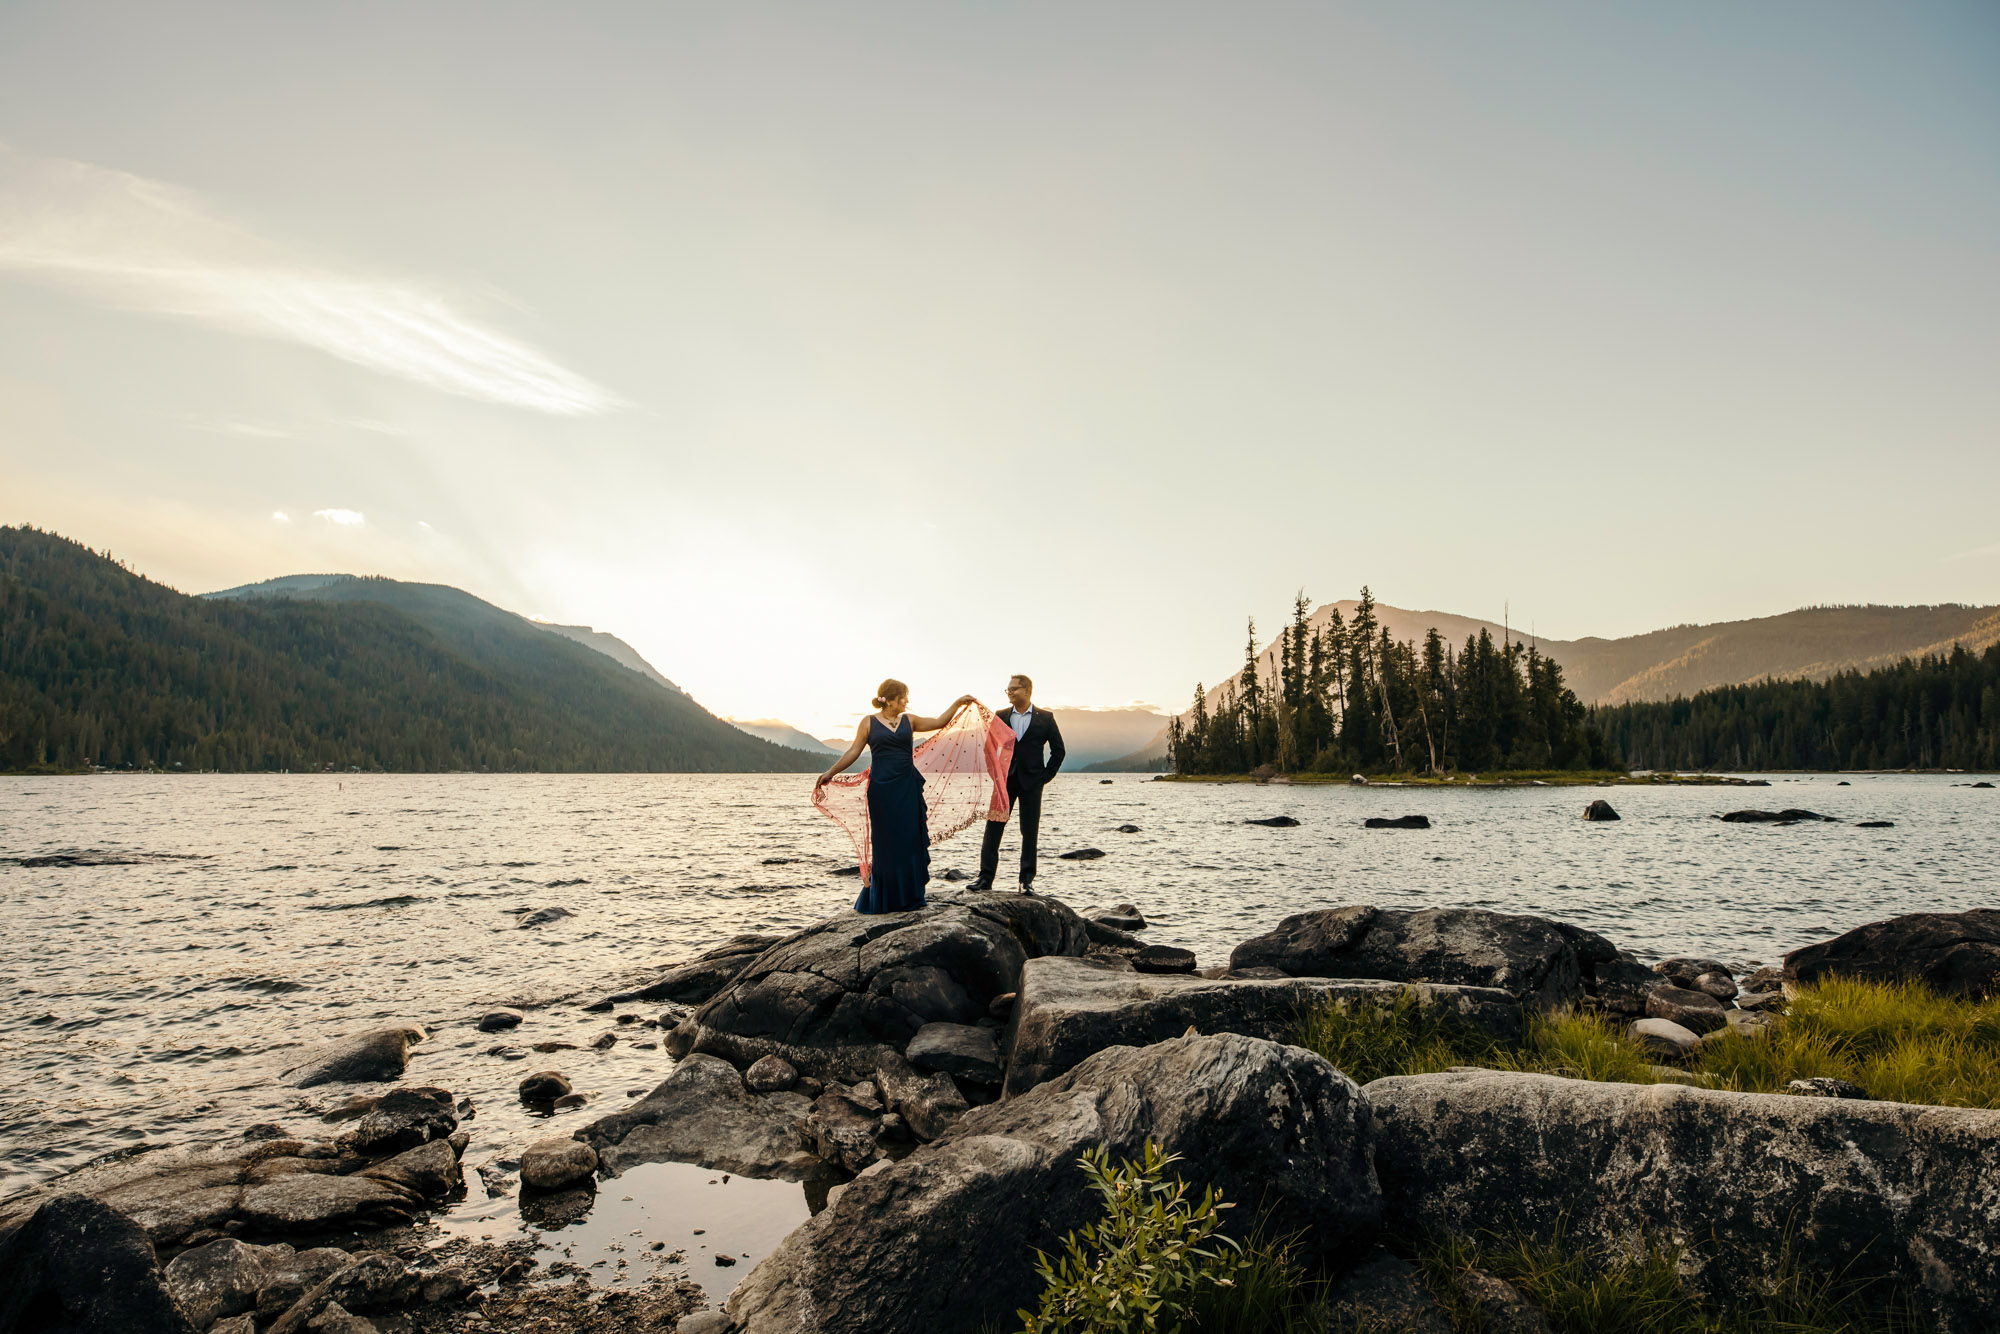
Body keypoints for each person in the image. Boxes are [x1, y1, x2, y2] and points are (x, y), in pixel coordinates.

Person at [816, 679, 977, 914]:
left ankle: (910, 896)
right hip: (881, 789)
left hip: (907, 786)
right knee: (886, 844)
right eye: (904, 697)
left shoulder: (909, 721)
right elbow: (853, 751)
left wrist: (957, 703)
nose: (907, 701)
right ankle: (885, 899)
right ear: (890, 699)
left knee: (910, 840)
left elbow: (940, 721)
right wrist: (831, 772)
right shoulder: (868, 723)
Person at [972, 674, 1064, 893]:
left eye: (1014, 689)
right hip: (1004, 782)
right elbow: (989, 748)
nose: (1010, 692)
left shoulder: (1046, 718)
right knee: (993, 828)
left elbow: (1059, 750)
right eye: (1008, 690)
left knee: (1030, 831)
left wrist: (1045, 776)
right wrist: (996, 774)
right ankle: (985, 879)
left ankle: (1026, 882)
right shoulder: (1001, 716)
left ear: (1027, 691)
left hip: (1033, 782)